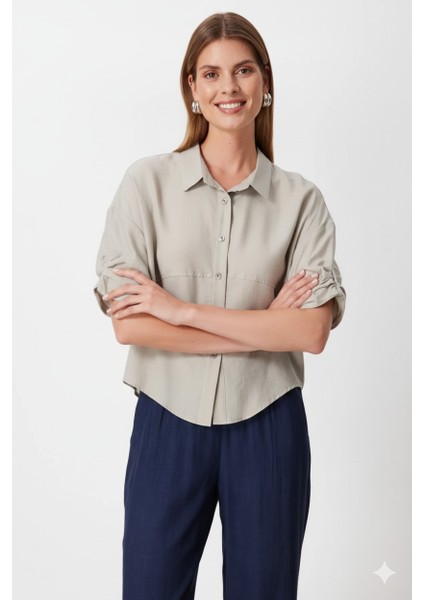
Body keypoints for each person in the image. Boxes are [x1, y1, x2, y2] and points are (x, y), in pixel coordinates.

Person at [94, 11, 346, 600]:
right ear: (192, 87)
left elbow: (311, 332)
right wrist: (268, 325)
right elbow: (130, 326)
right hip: (166, 420)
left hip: (269, 423)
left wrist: (180, 311)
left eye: (243, 71)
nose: (228, 87)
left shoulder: (302, 202)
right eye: (210, 74)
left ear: (265, 83)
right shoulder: (145, 185)